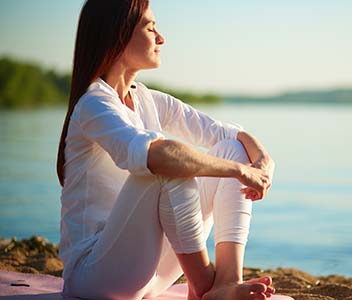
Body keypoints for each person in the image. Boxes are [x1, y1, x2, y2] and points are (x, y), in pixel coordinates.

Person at [56, 0, 276, 299]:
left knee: (229, 149)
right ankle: (203, 286)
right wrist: (240, 172)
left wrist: (262, 160)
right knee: (167, 163)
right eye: (150, 27)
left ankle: (226, 281)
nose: (161, 38)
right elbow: (160, 156)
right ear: (117, 35)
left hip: (152, 272)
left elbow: (229, 134)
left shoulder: (148, 99)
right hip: (96, 277)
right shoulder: (94, 104)